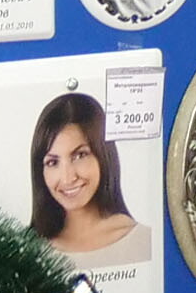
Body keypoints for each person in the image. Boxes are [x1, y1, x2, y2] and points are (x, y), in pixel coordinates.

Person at [28, 92, 139, 260]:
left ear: (104, 155)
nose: (67, 178)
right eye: (52, 162)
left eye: (80, 155)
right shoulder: (26, 252)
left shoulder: (140, 239)